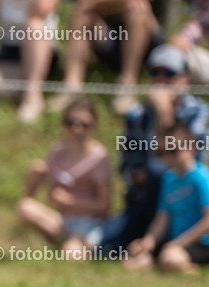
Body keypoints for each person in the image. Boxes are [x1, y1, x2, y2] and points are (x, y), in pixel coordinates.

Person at [103, 46, 209, 254]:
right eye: (155, 73)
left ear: (184, 80)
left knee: (157, 169)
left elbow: (186, 162)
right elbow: (128, 170)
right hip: (143, 200)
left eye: (169, 74)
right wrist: (139, 175)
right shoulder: (136, 114)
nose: (161, 80)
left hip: (186, 200)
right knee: (105, 249)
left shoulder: (199, 112)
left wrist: (164, 114)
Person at [17, 97, 111, 258]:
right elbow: (29, 195)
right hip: (62, 219)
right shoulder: (57, 151)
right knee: (25, 207)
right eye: (71, 123)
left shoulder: (98, 157)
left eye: (84, 124)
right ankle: (60, 242)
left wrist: (69, 202)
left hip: (88, 222)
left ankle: (74, 246)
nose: (77, 129)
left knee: (72, 253)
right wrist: (33, 175)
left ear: (94, 127)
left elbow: (104, 206)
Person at [49, 0, 159, 116]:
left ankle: (127, 86)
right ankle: (71, 87)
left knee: (137, 9)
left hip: (149, 40)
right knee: (82, 13)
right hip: (110, 37)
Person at [125, 125, 209, 272]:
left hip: (200, 244)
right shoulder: (168, 179)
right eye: (162, 152)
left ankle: (193, 271)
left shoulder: (202, 177)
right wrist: (147, 243)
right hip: (173, 244)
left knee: (170, 259)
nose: (168, 157)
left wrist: (180, 243)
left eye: (173, 150)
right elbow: (162, 218)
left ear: (192, 148)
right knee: (133, 260)